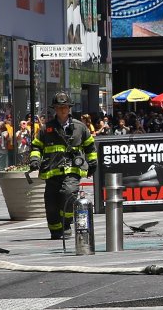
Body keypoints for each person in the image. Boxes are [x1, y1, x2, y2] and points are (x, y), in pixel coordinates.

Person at [29, 92, 97, 240]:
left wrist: (92, 163)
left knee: (68, 194)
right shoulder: (46, 129)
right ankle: (55, 230)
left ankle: (66, 224)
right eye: (59, 107)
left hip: (72, 171)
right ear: (55, 109)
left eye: (65, 107)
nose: (62, 110)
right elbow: (36, 147)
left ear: (69, 108)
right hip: (52, 172)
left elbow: (90, 147)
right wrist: (35, 160)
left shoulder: (80, 128)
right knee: (51, 203)